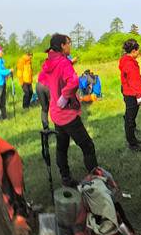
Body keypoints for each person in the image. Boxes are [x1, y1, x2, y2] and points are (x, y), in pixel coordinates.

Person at [41, 33, 98, 187]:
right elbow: (73, 82)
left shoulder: (49, 62)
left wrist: (55, 92)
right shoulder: (64, 63)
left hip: (56, 113)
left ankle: (65, 178)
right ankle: (96, 179)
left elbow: (42, 80)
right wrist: (65, 96)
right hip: (67, 114)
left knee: (62, 147)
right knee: (87, 145)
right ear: (62, 46)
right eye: (68, 43)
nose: (70, 46)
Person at [119, 39, 141, 152]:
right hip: (131, 93)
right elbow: (133, 81)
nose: (138, 53)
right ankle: (132, 143)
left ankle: (133, 139)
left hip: (127, 91)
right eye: (138, 50)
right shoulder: (130, 64)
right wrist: (138, 96)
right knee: (130, 119)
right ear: (134, 50)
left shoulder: (125, 60)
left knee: (130, 117)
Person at [0, 45, 13, 120]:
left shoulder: (1, 61)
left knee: (3, 101)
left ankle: (4, 117)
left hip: (3, 83)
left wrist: (7, 75)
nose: (2, 52)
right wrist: (9, 71)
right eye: (1, 51)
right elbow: (0, 71)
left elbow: (3, 70)